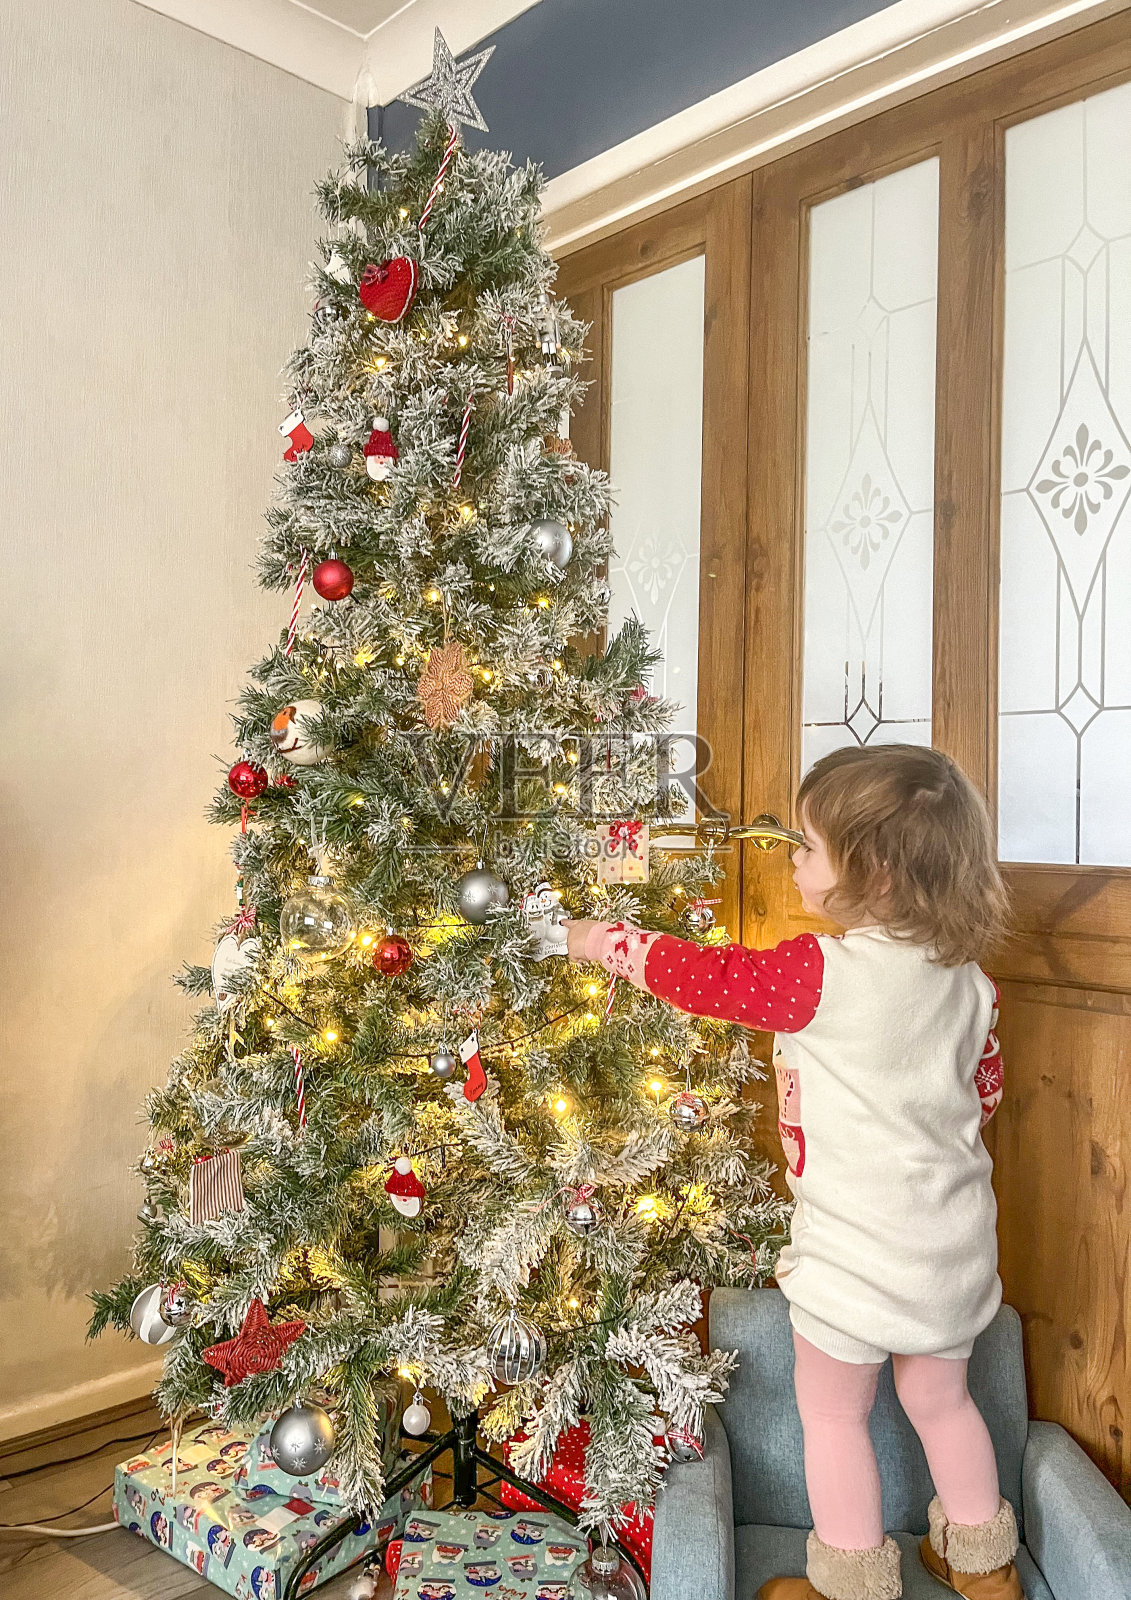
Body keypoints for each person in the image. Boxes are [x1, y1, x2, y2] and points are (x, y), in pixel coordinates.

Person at [563, 745, 1019, 1600]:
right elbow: (982, 1090)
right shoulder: (971, 984)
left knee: (834, 1415)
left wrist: (599, 941)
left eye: (807, 847)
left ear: (873, 872)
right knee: (944, 1403)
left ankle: (852, 1582)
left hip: (851, 1254)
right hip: (952, 1248)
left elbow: (708, 978)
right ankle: (984, 1563)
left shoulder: (818, 973)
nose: (793, 859)